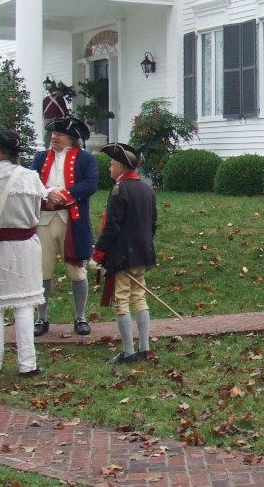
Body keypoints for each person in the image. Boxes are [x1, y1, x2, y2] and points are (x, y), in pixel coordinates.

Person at [0, 130, 47, 376]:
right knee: (24, 306)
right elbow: (38, 209)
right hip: (24, 249)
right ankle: (27, 364)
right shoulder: (30, 178)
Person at [31, 116, 100, 337]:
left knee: (77, 271)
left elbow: (90, 184)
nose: (54, 137)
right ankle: (42, 318)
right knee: (43, 270)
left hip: (73, 221)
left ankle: (80, 316)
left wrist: (64, 195)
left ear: (71, 138)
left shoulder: (85, 159)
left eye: (59, 134)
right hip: (44, 219)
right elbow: (32, 182)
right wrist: (46, 194)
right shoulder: (41, 158)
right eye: (53, 134)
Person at [92, 143, 157, 364]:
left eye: (112, 164)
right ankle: (145, 348)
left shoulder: (120, 190)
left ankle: (128, 352)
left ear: (120, 166)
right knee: (139, 297)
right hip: (142, 254)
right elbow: (153, 225)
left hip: (123, 256)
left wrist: (98, 254)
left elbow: (112, 227)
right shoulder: (147, 189)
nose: (110, 168)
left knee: (121, 300)